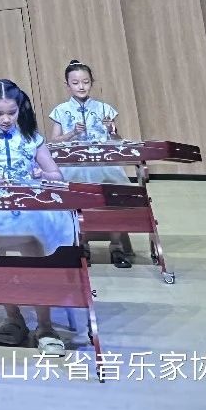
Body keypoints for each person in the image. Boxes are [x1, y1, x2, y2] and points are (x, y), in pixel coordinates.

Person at [0, 80, 72, 355]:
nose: (6, 119)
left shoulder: (32, 136)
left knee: (34, 244)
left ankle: (45, 325)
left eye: (12, 112)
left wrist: (41, 175)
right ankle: (13, 317)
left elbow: (56, 175)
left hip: (30, 207)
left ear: (21, 108)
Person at [48, 59, 134, 268]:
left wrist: (113, 130)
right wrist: (72, 133)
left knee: (114, 201)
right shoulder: (60, 110)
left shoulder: (105, 108)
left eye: (85, 82)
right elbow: (54, 141)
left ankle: (116, 246)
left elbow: (117, 141)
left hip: (103, 165)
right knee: (77, 203)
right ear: (67, 85)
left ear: (91, 83)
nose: (81, 86)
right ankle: (82, 245)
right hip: (74, 166)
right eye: (75, 83)